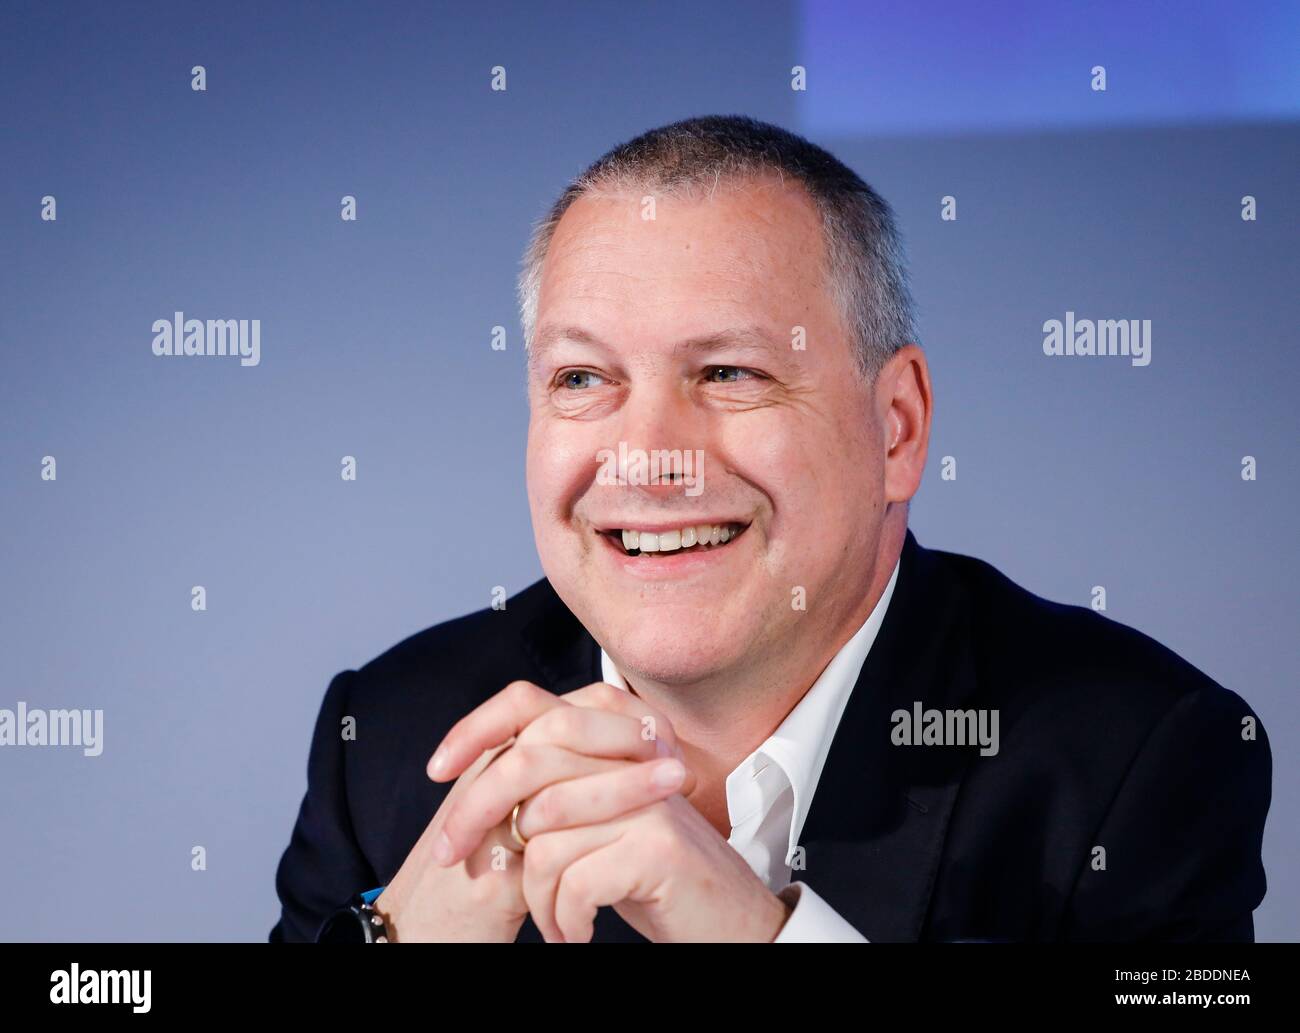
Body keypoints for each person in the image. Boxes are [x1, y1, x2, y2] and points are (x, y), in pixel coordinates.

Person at [271, 115, 1271, 943]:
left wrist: (761, 936)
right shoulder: (392, 739)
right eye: (582, 378)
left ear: (896, 427)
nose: (647, 458)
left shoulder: (1138, 760)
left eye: (728, 373)